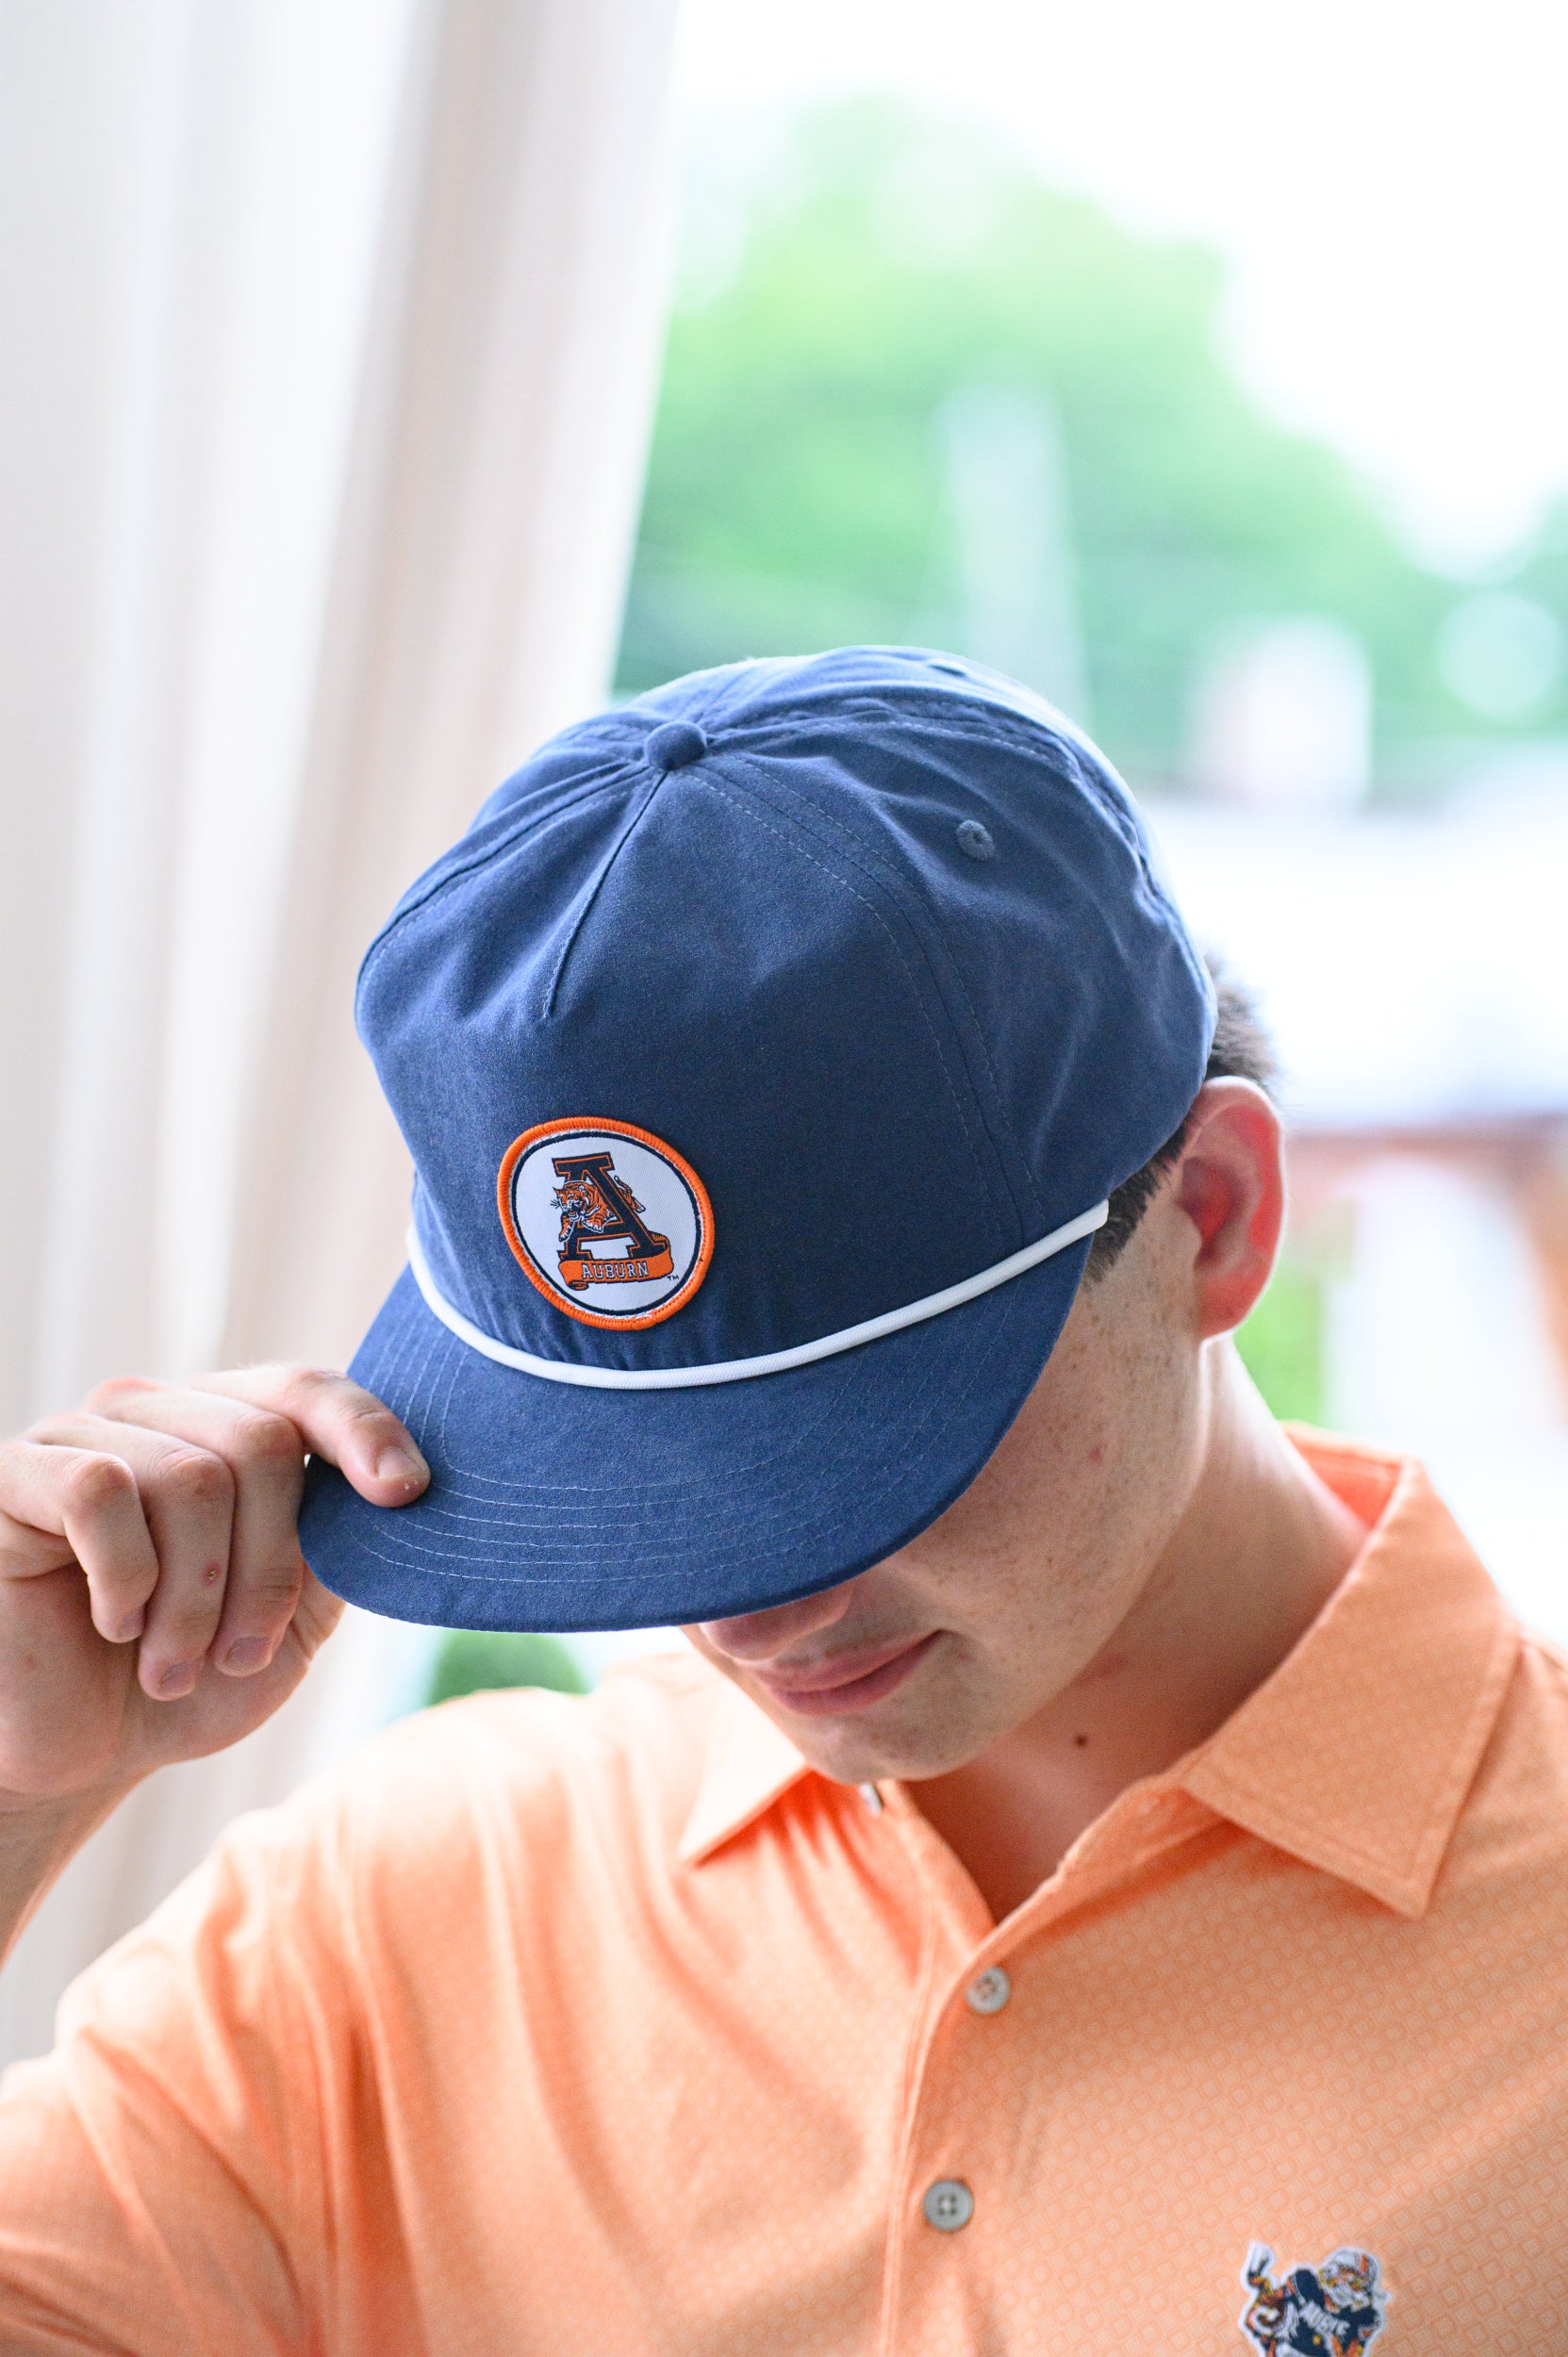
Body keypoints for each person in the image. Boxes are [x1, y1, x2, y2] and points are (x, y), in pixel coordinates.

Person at [0, 648, 1563, 2354]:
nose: (740, 1613)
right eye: (625, 1476)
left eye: (849, 1459)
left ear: (1216, 1210)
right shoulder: (405, 1912)